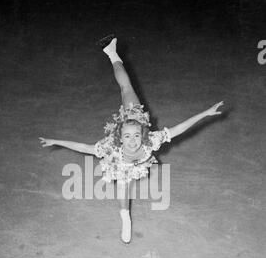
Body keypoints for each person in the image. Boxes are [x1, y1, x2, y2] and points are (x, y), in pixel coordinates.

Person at [39, 35, 224, 244]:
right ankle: (124, 216)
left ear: (143, 133)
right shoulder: (112, 148)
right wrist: (56, 141)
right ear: (119, 137)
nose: (133, 140)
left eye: (136, 135)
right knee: (122, 187)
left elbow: (178, 129)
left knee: (127, 90)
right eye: (127, 136)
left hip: (133, 117)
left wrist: (205, 114)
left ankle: (111, 52)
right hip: (121, 163)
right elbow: (84, 147)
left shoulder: (149, 140)